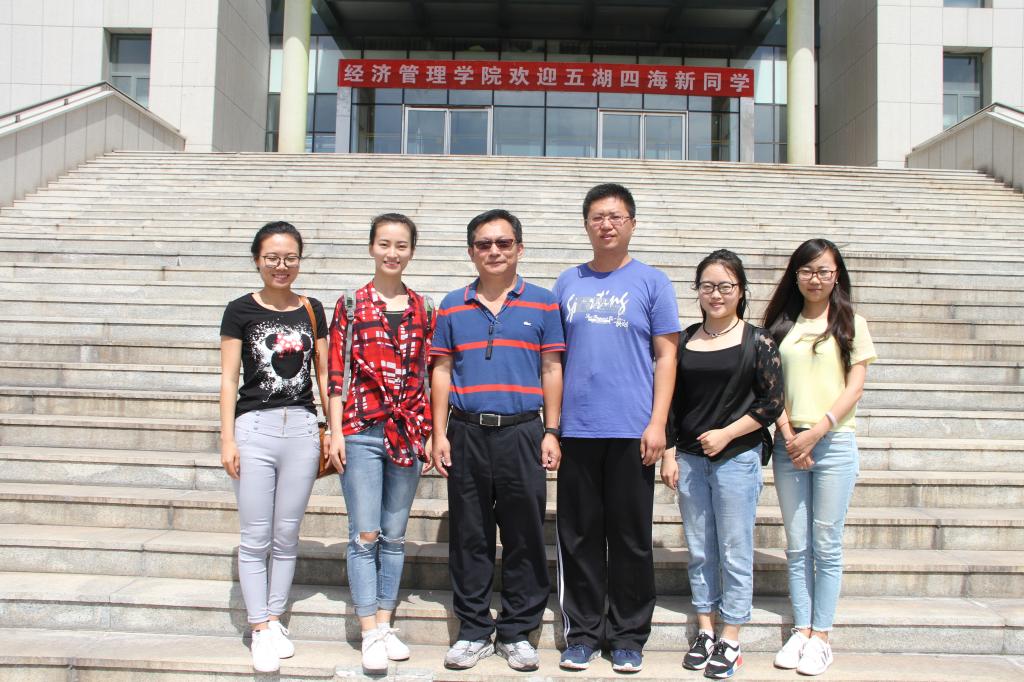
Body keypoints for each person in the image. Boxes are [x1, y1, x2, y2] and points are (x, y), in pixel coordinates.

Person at [553, 183, 680, 674]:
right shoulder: (568, 282)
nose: (606, 224)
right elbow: (554, 361)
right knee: (579, 537)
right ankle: (583, 633)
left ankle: (628, 635)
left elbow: (667, 356)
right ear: (586, 224)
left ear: (632, 223)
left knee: (630, 538)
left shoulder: (652, 282)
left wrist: (658, 423)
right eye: (597, 217)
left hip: (632, 430)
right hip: (578, 430)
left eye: (616, 216)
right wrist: (553, 427)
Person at [430, 209, 565, 672]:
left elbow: (551, 369)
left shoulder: (543, 303)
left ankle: (516, 631)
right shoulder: (452, 305)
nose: (494, 251)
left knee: (524, 534)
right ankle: (472, 630)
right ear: (471, 252)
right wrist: (438, 432)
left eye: (504, 243)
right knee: (470, 535)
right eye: (484, 244)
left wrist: (552, 430)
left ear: (519, 249)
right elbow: (441, 370)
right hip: (466, 431)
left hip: (523, 432)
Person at [660, 249, 783, 679]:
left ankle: (731, 636)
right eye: (708, 286)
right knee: (699, 548)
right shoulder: (684, 340)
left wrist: (728, 433)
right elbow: (671, 403)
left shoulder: (758, 341)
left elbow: (772, 403)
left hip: (737, 458)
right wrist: (669, 452)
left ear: (741, 291)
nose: (716, 294)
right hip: (691, 459)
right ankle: (706, 629)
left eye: (725, 286)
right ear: (697, 291)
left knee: (734, 547)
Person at [762, 238, 877, 676]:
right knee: (798, 544)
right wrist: (790, 434)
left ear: (836, 276)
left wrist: (817, 432)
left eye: (824, 271)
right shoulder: (779, 326)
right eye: (808, 271)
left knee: (826, 544)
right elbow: (770, 386)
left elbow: (855, 387)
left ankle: (822, 636)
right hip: (789, 444)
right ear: (795, 275)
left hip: (834, 443)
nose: (816, 279)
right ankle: (801, 630)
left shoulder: (851, 324)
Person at [326, 213, 435, 674]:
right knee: (364, 533)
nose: (393, 253)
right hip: (361, 429)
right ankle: (369, 628)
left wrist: (432, 431)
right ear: (372, 247)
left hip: (407, 432)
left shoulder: (424, 308)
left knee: (394, 535)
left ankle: (386, 623)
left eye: (401, 245)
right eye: (385, 244)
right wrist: (334, 432)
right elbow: (335, 374)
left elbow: (430, 374)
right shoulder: (351, 304)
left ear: (412, 251)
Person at [218, 221, 329, 674]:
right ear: (257, 260)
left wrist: (330, 429)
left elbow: (325, 375)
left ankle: (276, 617)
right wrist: (227, 438)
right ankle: (259, 626)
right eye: (272, 258)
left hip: (301, 428)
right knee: (255, 536)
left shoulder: (312, 309)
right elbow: (229, 378)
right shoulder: (239, 310)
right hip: (255, 429)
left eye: (290, 258)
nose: (281, 266)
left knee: (286, 534)